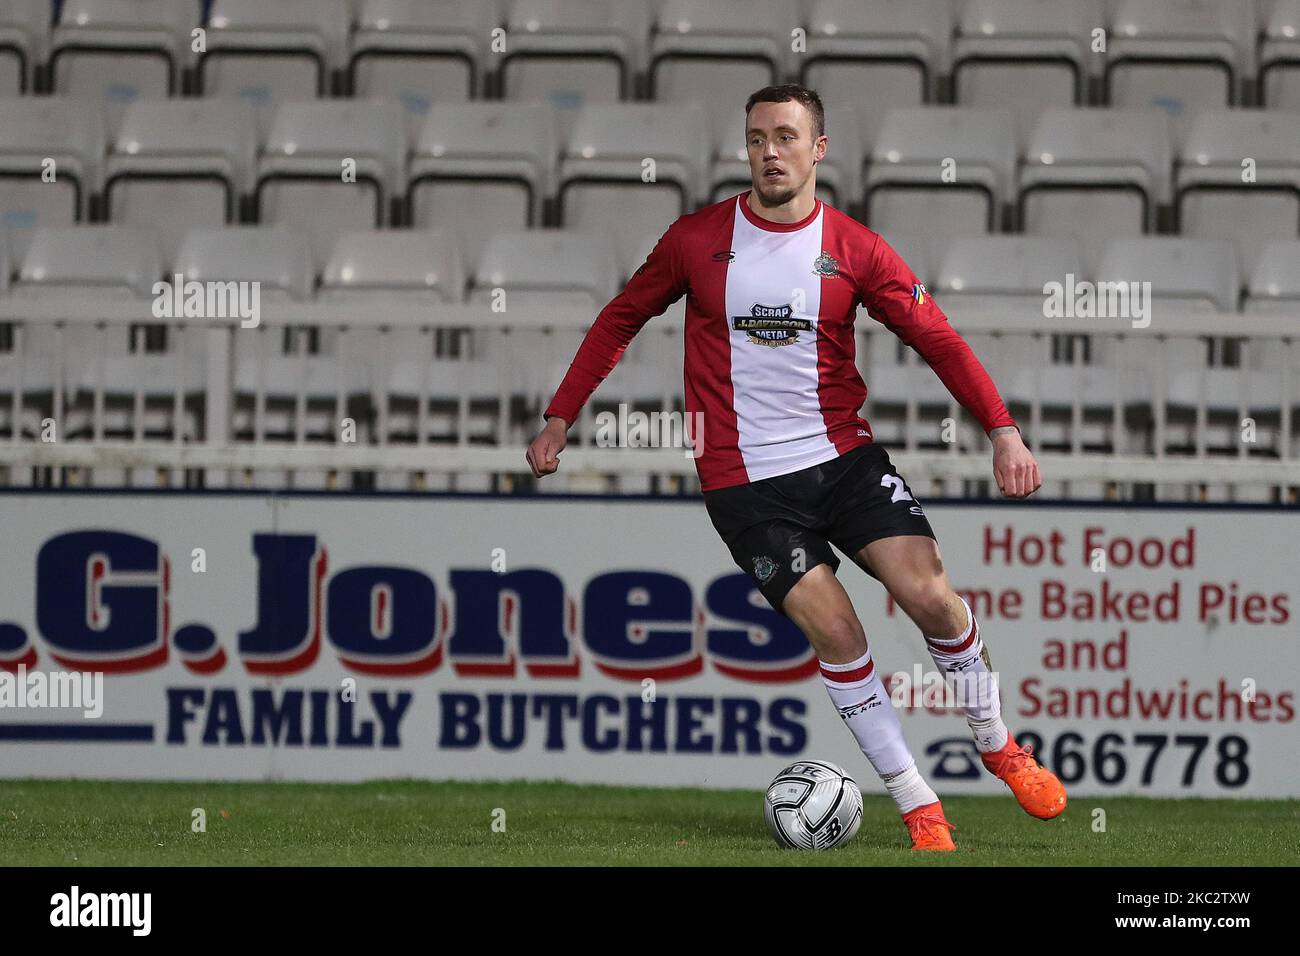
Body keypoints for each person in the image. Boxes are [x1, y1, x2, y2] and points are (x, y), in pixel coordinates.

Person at [526, 84, 1065, 850]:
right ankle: (919, 805)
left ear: (818, 149)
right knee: (838, 631)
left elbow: (937, 339)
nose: (768, 151)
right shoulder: (696, 239)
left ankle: (997, 741)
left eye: (785, 136)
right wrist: (561, 413)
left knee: (930, 595)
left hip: (843, 460)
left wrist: (1003, 431)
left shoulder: (854, 249)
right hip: (745, 486)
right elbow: (623, 316)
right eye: (755, 138)